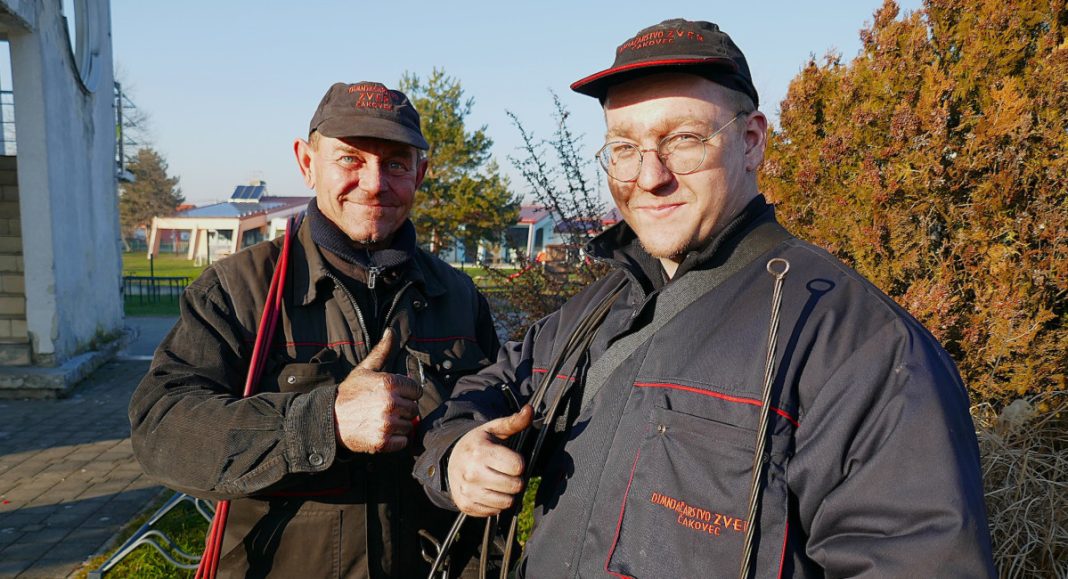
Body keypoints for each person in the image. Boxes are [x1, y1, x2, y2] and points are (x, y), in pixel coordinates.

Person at [417, 19, 996, 578]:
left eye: (684, 140)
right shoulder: (595, 311)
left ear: (751, 142)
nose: (649, 176)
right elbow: (485, 390)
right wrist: (458, 452)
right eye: (623, 147)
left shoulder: (858, 345)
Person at [130, 81, 500, 578]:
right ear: (307, 163)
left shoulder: (457, 296)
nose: (374, 183)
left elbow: (495, 410)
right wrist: (323, 422)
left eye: (395, 163)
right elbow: (161, 429)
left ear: (421, 173)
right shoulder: (238, 291)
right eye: (349, 159)